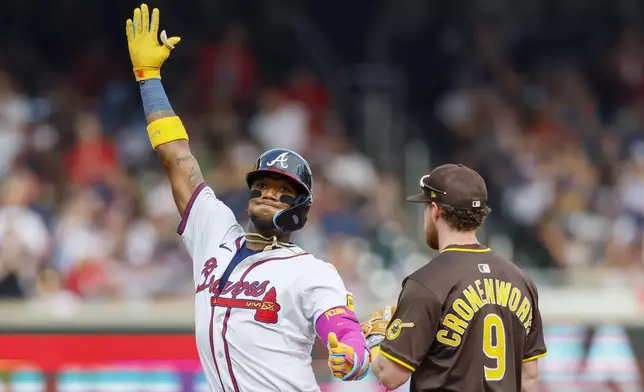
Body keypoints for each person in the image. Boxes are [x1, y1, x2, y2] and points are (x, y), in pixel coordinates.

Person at [124, 4, 370, 391]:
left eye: (284, 192)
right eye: (265, 185)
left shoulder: (311, 272)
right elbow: (177, 158)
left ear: (300, 210)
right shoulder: (214, 230)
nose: (270, 193)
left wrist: (352, 355)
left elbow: (342, 328)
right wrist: (148, 78)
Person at [361, 164, 547, 391]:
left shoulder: (426, 282)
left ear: (436, 210)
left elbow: (390, 375)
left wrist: (377, 339)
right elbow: (529, 378)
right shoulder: (521, 280)